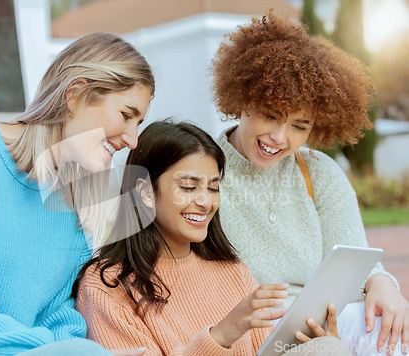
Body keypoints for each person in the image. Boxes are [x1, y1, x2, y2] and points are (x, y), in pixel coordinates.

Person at [0, 32, 153, 355]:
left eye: (139, 123)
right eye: (126, 115)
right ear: (76, 94)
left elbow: (61, 323)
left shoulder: (70, 211)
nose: (133, 141)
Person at [211, 11, 409, 356]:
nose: (279, 137)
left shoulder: (318, 171)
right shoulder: (202, 166)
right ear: (243, 101)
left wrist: (383, 283)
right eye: (270, 115)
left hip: (319, 319)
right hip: (245, 330)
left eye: (299, 126)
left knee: (394, 329)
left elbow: (357, 259)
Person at [74, 120, 353, 355]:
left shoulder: (232, 272)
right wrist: (221, 335)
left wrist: (320, 346)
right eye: (188, 186)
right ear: (145, 192)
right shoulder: (108, 286)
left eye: (213, 188)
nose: (205, 202)